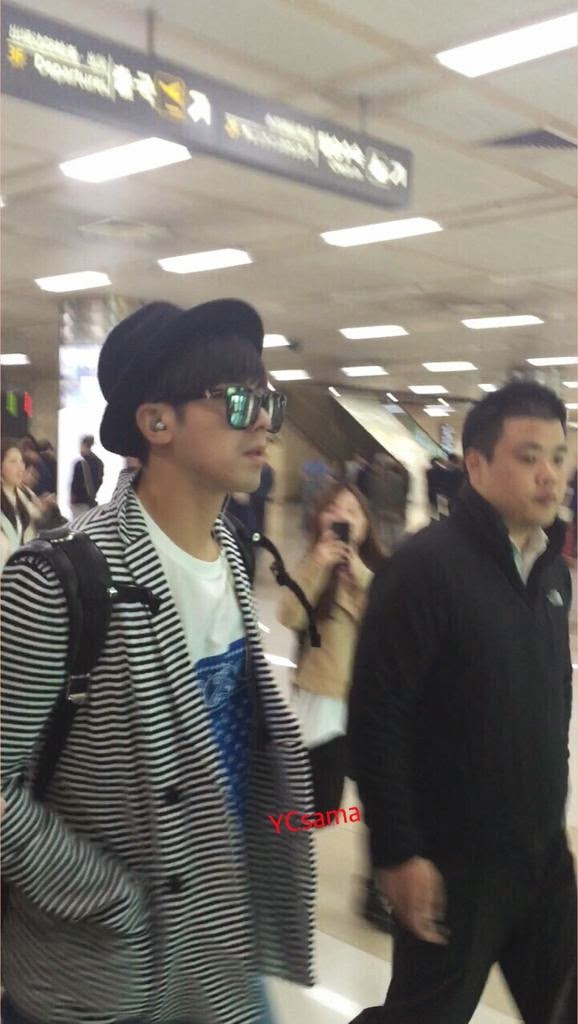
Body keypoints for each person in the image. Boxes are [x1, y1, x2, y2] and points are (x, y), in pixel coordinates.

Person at [1, 299, 315, 1024]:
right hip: (97, 968)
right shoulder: (57, 580)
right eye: (239, 401)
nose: (264, 423)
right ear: (157, 422)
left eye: (269, 401)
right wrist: (109, 896)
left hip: (216, 936)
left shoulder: (232, 554)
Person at [348, 381, 576, 1024]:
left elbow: (553, 692)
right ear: (475, 465)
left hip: (541, 855)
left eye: (559, 457)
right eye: (529, 457)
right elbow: (377, 716)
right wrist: (397, 852)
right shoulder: (424, 568)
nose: (550, 475)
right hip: (455, 865)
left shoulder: (550, 571)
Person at [277, 482, 388, 929]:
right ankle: (275, 862)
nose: (343, 518)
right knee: (321, 804)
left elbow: (387, 621)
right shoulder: (311, 563)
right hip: (321, 698)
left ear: (365, 524)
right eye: (334, 510)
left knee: (381, 799)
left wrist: (356, 573)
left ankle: (375, 893)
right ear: (320, 518)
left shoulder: (378, 571)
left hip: (369, 703)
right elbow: (288, 616)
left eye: (353, 512)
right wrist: (319, 567)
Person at [0, 440, 41, 570]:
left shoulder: (23, 495)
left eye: (21, 461)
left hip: (18, 574)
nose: (20, 467)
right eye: (13, 461)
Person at [364, 453, 406, 555]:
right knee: (393, 536)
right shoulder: (399, 479)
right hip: (393, 512)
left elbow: (370, 493)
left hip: (377, 510)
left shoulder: (373, 478)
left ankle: (379, 551)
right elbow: (400, 496)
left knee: (380, 533)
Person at [70, 434, 104, 517]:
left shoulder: (79, 464)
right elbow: (99, 481)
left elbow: (75, 485)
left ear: (84, 445)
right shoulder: (99, 463)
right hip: (91, 503)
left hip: (79, 503)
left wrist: (72, 499)